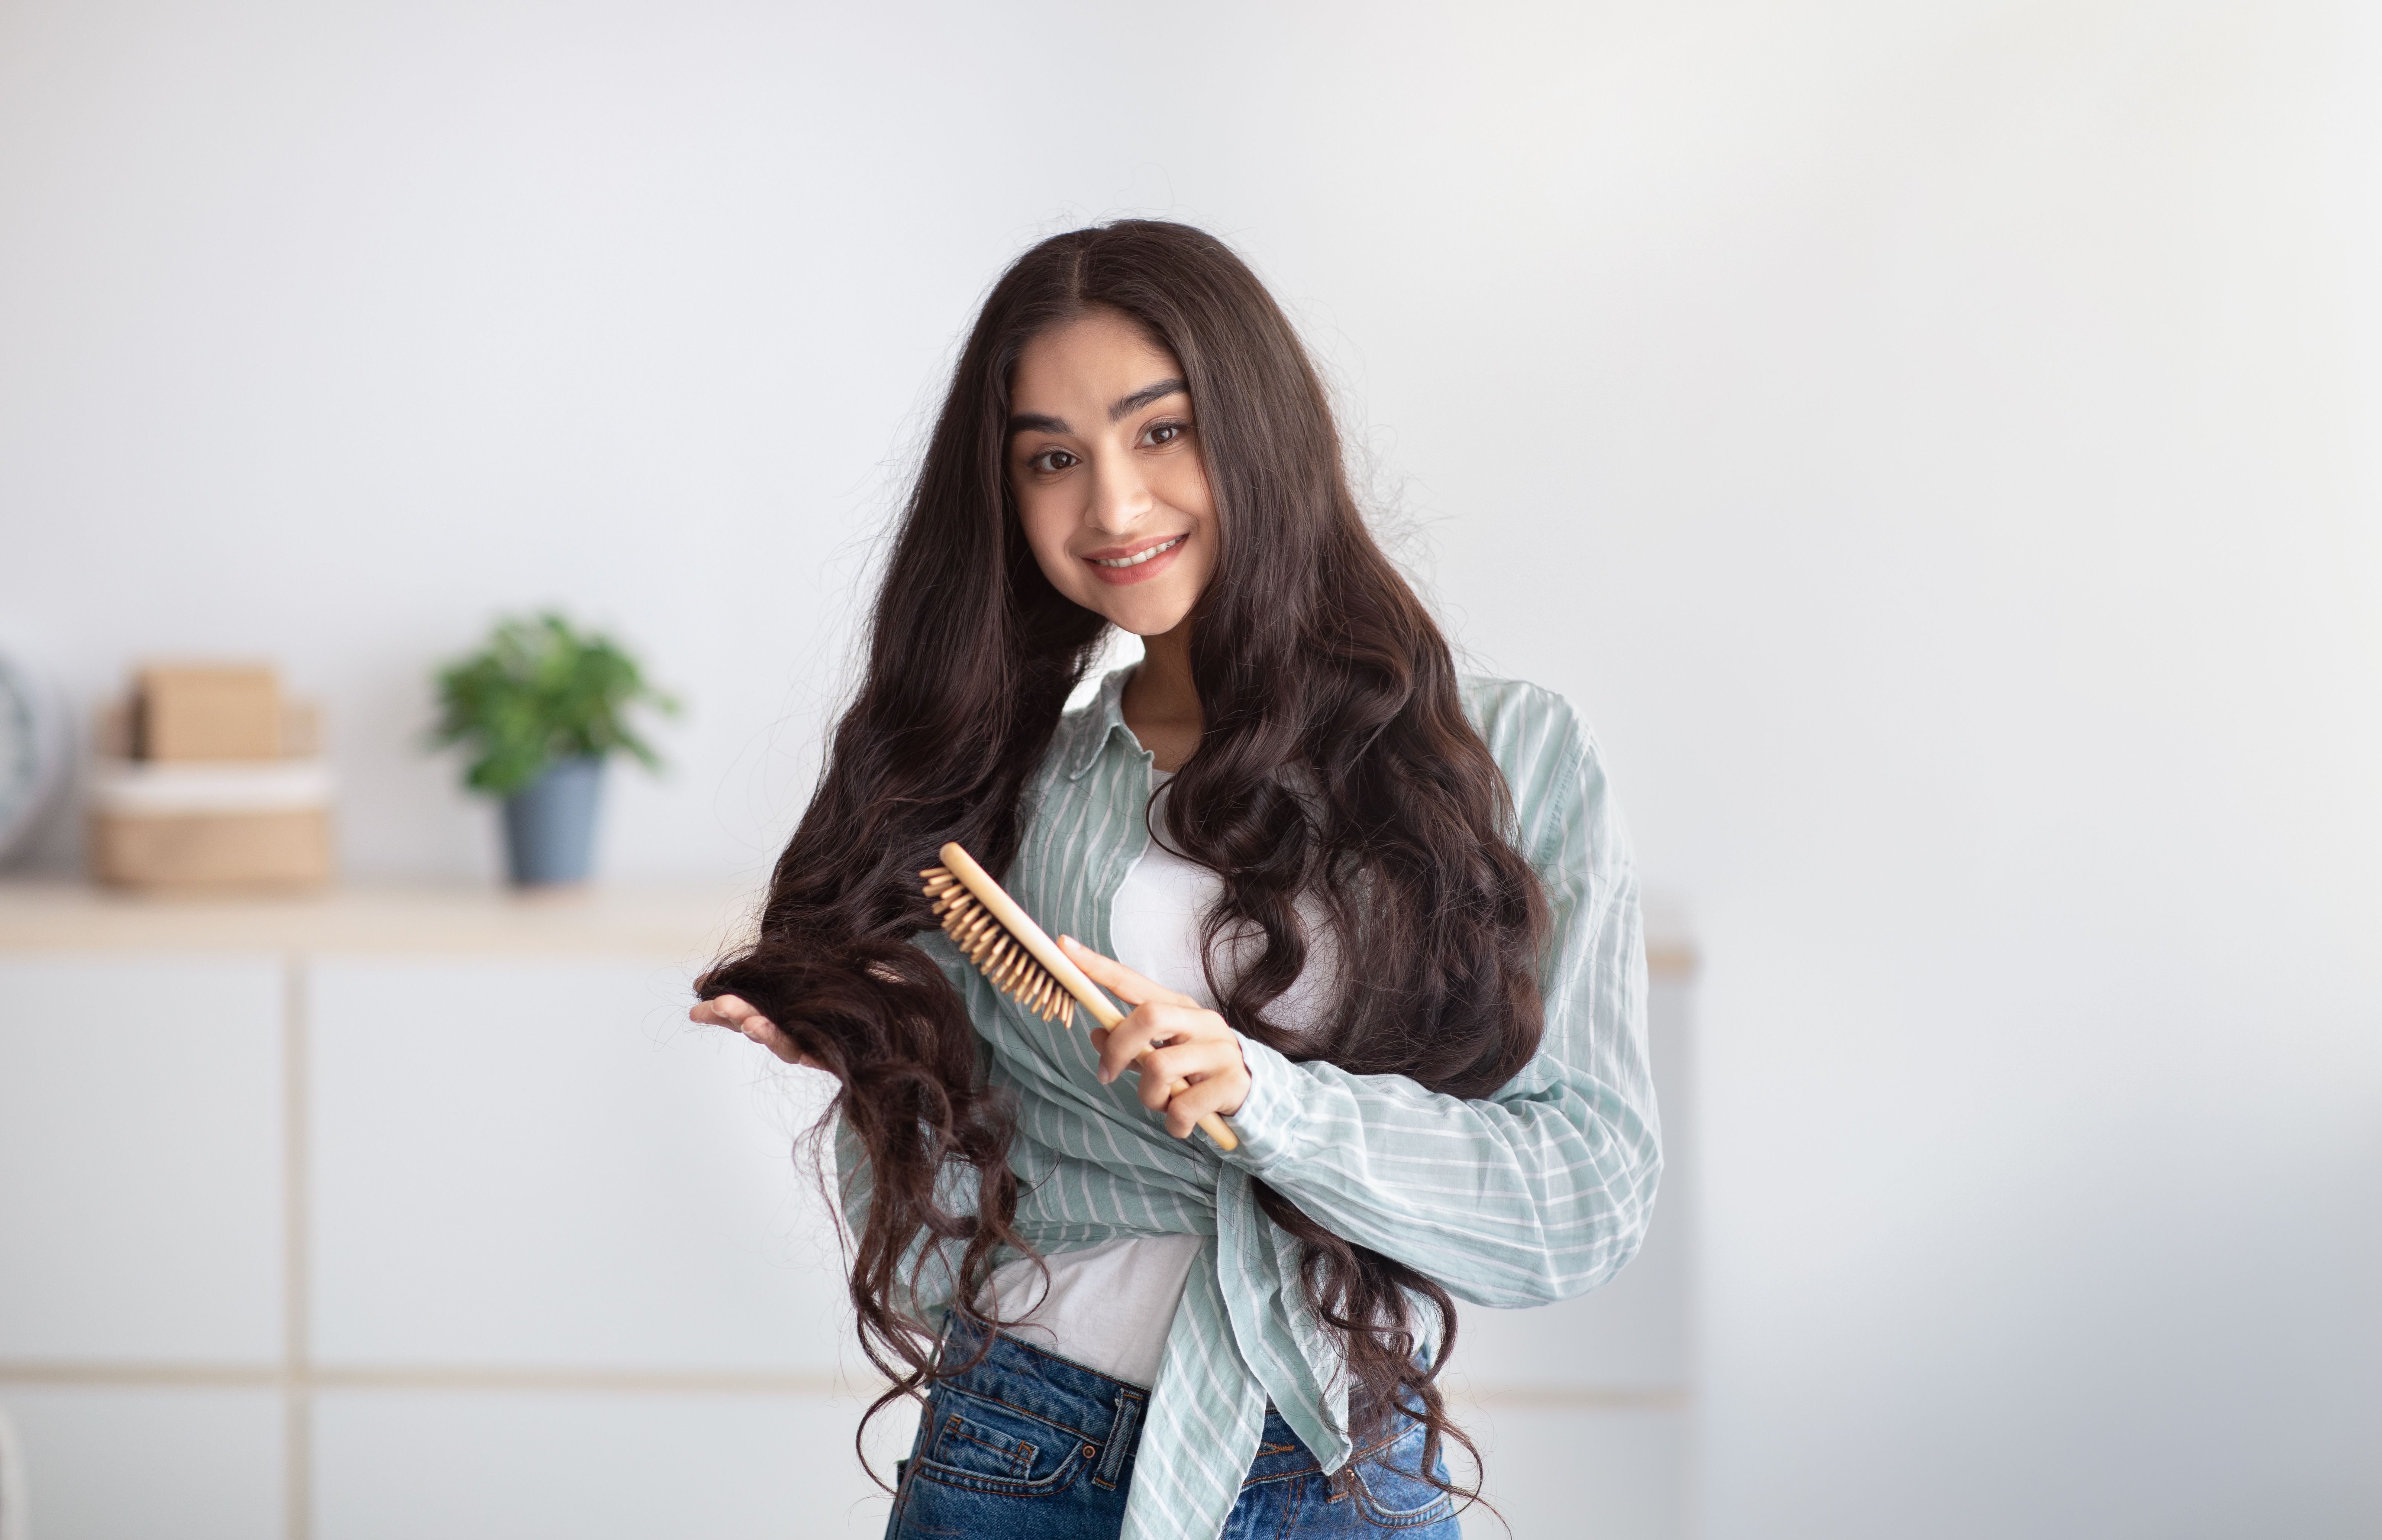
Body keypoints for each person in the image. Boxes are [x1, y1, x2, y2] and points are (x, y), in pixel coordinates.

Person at [691, 221, 1659, 1540]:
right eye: (1051, 459)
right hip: (1021, 1445)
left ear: (1259, 426)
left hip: (1341, 1463)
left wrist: (1276, 1108)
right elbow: (941, 1243)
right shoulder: (1000, 788)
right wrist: (882, 1059)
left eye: (1161, 431)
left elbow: (1581, 1201)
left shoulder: (1506, 760)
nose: (1113, 509)